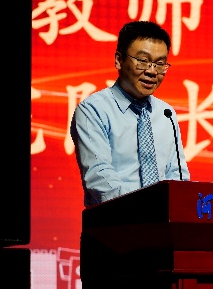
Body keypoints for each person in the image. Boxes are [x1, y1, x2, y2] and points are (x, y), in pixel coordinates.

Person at [71, 20, 190, 208]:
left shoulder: (166, 114)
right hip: (114, 220)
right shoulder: (94, 110)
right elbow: (99, 177)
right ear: (119, 60)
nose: (152, 71)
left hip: (161, 221)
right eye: (143, 61)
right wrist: (147, 208)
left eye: (160, 64)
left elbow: (177, 174)